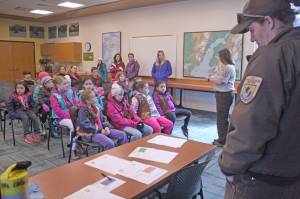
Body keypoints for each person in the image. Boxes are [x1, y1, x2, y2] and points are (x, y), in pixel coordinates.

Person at [218, 0, 300, 198]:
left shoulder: (272, 56)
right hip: (291, 174)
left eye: (252, 29)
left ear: (269, 22)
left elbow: (252, 123)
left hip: (260, 180)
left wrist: (229, 166)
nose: (252, 38)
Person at [209, 48, 236, 147]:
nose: (219, 58)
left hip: (224, 95)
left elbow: (221, 81)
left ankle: (222, 141)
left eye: (220, 56)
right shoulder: (228, 67)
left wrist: (210, 78)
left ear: (224, 57)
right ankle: (223, 138)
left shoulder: (228, 67)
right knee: (222, 118)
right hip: (223, 94)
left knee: (221, 118)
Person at [50, 76, 79, 155]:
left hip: (72, 114)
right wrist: (71, 115)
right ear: (58, 85)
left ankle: (77, 143)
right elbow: (57, 111)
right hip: (60, 118)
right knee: (73, 126)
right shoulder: (53, 96)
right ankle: (73, 150)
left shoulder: (69, 92)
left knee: (82, 122)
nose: (67, 85)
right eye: (64, 83)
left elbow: (76, 103)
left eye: (67, 83)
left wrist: (79, 111)